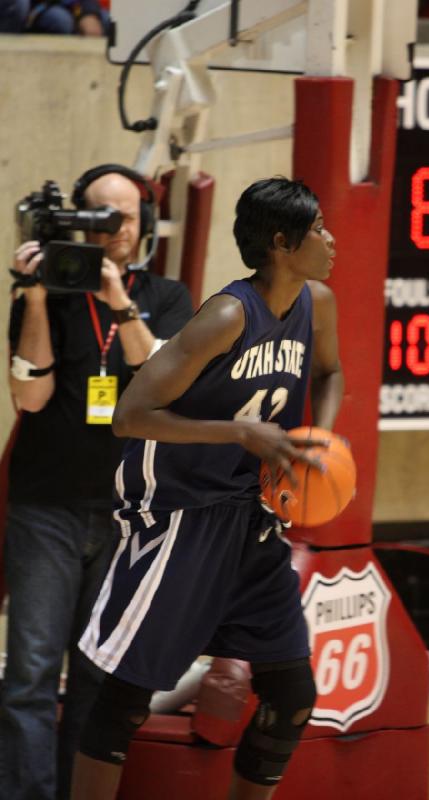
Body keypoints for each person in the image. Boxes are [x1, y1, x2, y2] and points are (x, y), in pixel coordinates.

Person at [69, 176, 343, 800]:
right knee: (127, 699)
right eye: (319, 228)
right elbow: (131, 415)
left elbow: (330, 372)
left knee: (292, 693)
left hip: (252, 515)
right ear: (282, 241)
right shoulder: (226, 314)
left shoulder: (317, 303)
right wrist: (240, 435)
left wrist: (316, 444)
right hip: (180, 515)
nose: (331, 240)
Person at [0, 164, 193, 800]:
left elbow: (162, 377)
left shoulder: (167, 297)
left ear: (144, 225)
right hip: (46, 508)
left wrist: (120, 301)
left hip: (125, 514)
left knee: (95, 675)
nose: (113, 230)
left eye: (125, 218)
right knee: (29, 673)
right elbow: (30, 397)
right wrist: (32, 296)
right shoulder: (46, 293)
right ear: (76, 222)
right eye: (99, 217)